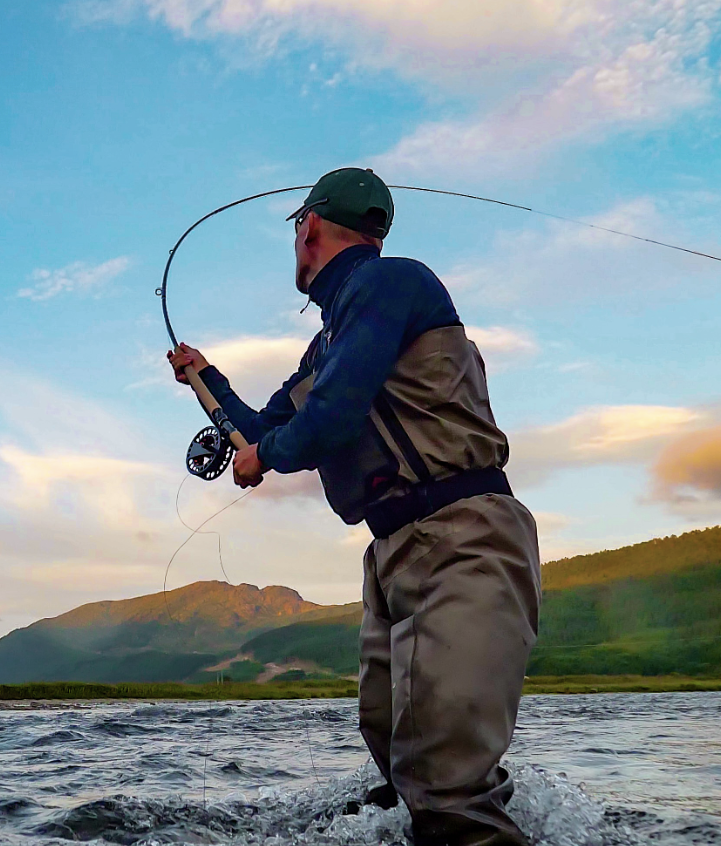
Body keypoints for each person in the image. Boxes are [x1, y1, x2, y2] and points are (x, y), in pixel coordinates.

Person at [166, 167, 541, 846]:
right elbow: (256, 430)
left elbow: (328, 418)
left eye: (297, 232)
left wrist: (268, 457)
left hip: (462, 534)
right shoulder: (332, 344)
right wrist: (203, 377)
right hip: (395, 552)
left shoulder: (391, 283)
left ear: (308, 226)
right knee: (395, 747)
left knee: (444, 779)